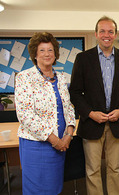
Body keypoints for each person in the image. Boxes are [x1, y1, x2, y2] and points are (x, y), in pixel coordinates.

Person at [69, 16, 119, 195]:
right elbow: (75, 92)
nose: (106, 35)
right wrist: (90, 113)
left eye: (110, 31)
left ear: (115, 35)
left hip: (117, 123)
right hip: (92, 123)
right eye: (102, 31)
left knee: (114, 168)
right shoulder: (83, 59)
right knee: (93, 170)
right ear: (96, 34)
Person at [15, 32, 76, 195]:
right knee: (36, 189)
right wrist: (54, 139)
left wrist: (68, 135)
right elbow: (25, 115)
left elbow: (69, 107)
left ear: (55, 53)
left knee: (54, 187)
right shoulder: (24, 77)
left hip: (61, 144)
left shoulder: (61, 78)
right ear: (35, 54)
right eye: (42, 50)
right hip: (36, 145)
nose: (47, 54)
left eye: (50, 50)